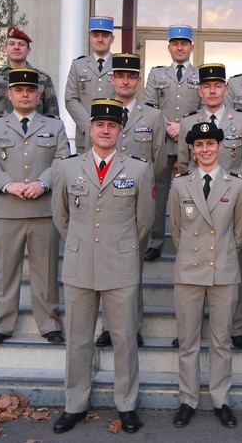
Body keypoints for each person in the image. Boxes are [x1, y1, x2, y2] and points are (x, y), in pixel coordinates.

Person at [51, 98, 155, 435]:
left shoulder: (138, 168)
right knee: (79, 340)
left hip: (120, 264)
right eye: (100, 125)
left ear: (120, 130)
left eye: (112, 125)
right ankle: (75, 404)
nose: (105, 130)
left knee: (124, 339)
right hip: (81, 265)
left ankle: (126, 405)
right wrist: (81, 244)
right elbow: (61, 217)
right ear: (90, 128)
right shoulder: (68, 168)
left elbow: (144, 222)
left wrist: (120, 247)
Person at [0, 68, 69, 346]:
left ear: (39, 95)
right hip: (7, 209)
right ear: (10, 94)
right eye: (19, 90)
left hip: (43, 209)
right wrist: (8, 185)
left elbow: (62, 160)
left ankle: (49, 322)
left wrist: (42, 183)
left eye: (31, 91)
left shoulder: (55, 126)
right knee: (5, 270)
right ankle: (2, 323)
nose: (25, 95)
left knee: (46, 269)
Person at [169, 121, 242, 429]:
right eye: (199, 145)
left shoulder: (237, 184)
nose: (205, 149)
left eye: (211, 144)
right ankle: (188, 399)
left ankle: (220, 400)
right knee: (188, 341)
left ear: (220, 147)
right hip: (189, 270)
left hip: (223, 270)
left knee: (221, 341)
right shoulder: (180, 184)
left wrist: (223, 255)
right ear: (192, 148)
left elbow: (239, 231)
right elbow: (177, 230)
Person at [178, 64, 242, 349]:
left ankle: (234, 327)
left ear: (226, 89)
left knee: (234, 263)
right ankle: (189, 327)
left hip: (230, 204)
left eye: (218, 85)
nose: (212, 90)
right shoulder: (188, 122)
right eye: (207, 86)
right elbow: (185, 164)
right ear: (200, 91)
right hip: (196, 203)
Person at [94, 52, 167, 348]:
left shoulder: (152, 116)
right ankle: (108, 327)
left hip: (136, 203)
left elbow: (159, 160)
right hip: (103, 201)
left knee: (131, 268)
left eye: (131, 76)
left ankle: (131, 326)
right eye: (120, 76)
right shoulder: (99, 113)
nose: (125, 81)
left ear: (138, 81)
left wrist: (144, 185)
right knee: (104, 267)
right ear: (111, 79)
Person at [143, 24, 202, 262]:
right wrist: (168, 126)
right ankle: (155, 242)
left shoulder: (201, 75)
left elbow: (205, 107)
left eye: (184, 43)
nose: (180, 47)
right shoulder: (157, 74)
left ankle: (191, 240)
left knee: (193, 192)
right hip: (163, 142)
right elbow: (149, 104)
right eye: (175, 44)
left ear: (191, 47)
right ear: (168, 47)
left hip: (192, 144)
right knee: (158, 192)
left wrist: (183, 127)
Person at [0, 27, 59, 121]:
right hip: (1, 134)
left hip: (33, 133)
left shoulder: (42, 79)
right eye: (11, 44)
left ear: (28, 50)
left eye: (21, 44)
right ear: (6, 48)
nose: (16, 47)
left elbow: (52, 115)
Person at [65, 16, 117, 152]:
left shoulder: (119, 65)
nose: (100, 39)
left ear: (112, 38)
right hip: (85, 135)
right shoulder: (78, 65)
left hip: (113, 135)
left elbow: (125, 97)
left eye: (105, 35)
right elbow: (70, 99)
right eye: (96, 35)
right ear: (90, 37)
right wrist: (89, 125)